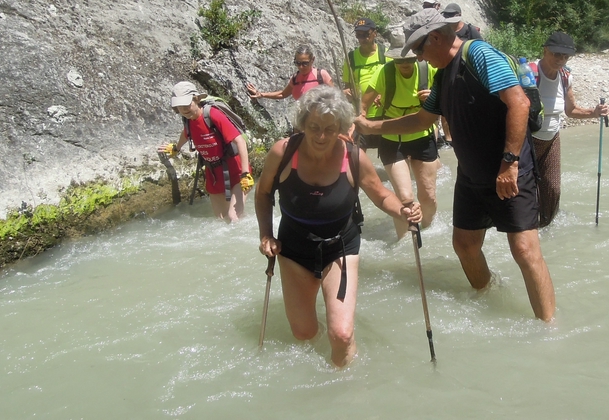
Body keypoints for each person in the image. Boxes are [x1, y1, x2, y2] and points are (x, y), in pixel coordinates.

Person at [355, 9, 555, 322]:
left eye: (419, 50)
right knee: (464, 245)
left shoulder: (478, 54)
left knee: (525, 251)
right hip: (472, 175)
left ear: (435, 37)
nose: (420, 58)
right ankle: (490, 300)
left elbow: (519, 103)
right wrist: (371, 127)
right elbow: (422, 119)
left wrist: (510, 162)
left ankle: (548, 328)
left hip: (508, 170)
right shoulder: (443, 75)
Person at [255, 85, 421, 367]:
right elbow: (262, 193)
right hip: (294, 247)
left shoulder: (354, 157)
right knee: (303, 333)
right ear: (303, 124)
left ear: (341, 128)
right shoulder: (283, 152)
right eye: (314, 127)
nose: (321, 136)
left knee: (342, 334)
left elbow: (380, 194)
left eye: (330, 129)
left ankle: (346, 388)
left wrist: (404, 210)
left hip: (341, 245)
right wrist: (266, 234)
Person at [530, 31, 609, 227]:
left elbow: (571, 110)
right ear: (545, 50)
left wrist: (595, 112)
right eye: (557, 54)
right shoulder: (530, 74)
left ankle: (545, 229)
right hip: (526, 140)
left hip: (551, 140)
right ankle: (521, 228)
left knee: (553, 190)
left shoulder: (565, 77)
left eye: (565, 56)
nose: (561, 60)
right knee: (525, 190)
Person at [361, 47, 440, 239]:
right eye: (398, 60)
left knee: (428, 196)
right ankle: (404, 240)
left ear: (417, 56)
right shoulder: (385, 72)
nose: (404, 64)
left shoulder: (429, 69)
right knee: (405, 197)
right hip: (392, 139)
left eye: (409, 59)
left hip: (423, 136)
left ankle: (429, 232)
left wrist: (434, 96)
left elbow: (450, 97)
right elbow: (363, 104)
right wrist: (359, 122)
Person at [158, 82, 252, 223]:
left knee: (234, 218)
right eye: (179, 106)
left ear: (196, 99)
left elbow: (240, 141)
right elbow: (186, 134)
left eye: (186, 105)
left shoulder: (213, 115)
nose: (183, 110)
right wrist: (176, 148)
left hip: (236, 171)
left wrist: (246, 174)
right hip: (214, 174)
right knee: (221, 221)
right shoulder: (188, 120)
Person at [341, 18, 386, 149]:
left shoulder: (386, 54)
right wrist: (346, 93)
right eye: (358, 35)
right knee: (358, 153)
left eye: (366, 34)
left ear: (375, 34)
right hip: (361, 115)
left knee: (388, 156)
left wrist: (384, 95)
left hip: (384, 113)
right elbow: (347, 86)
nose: (362, 38)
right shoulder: (351, 58)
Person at [246, 45, 333, 101]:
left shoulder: (321, 75)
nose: (301, 67)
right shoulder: (295, 79)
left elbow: (335, 97)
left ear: (312, 60)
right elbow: (283, 94)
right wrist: (261, 94)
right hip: (301, 124)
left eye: (305, 63)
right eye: (298, 63)